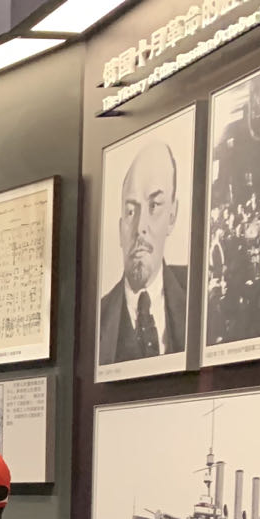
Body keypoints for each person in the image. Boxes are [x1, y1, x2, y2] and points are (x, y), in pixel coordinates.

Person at [100, 139, 187, 364]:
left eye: (154, 206)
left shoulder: (198, 294)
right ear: (120, 228)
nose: (140, 227)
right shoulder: (98, 319)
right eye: (131, 211)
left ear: (172, 216)